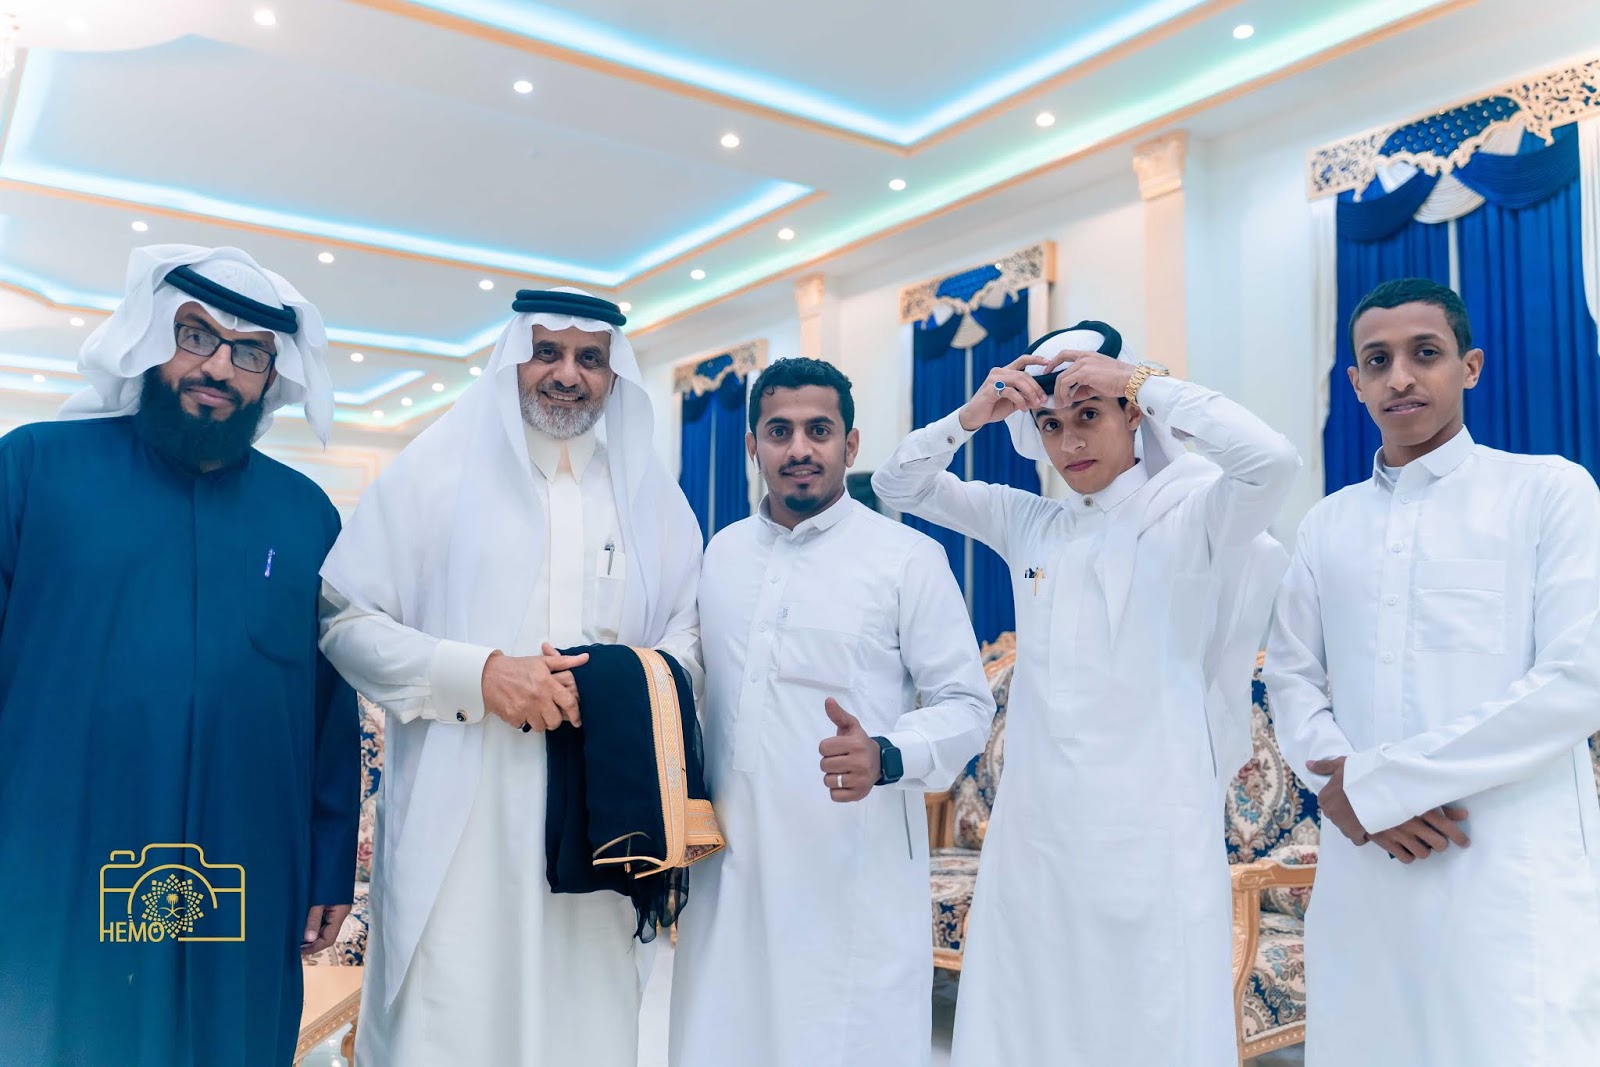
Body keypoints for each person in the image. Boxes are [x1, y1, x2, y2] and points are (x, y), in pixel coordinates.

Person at [874, 321, 1298, 1065]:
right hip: (1037, 827)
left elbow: (1272, 460)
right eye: (1050, 424)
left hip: (1153, 824)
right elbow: (896, 484)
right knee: (1033, 1012)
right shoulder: (1030, 522)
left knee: (1148, 1012)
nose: (1070, 441)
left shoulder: (1195, 513)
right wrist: (971, 415)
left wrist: (1141, 380)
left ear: (1133, 415)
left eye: (1089, 413)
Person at [319, 287, 704, 1067]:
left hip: (598, 822)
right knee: (452, 1019)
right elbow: (345, 620)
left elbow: (691, 633)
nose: (567, 374)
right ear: (511, 361)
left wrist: (617, 684)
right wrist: (481, 675)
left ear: (614, 375)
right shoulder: (434, 474)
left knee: (582, 1024)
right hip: (461, 816)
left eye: (590, 358)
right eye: (546, 352)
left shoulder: (650, 499)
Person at [0, 244, 356, 1066]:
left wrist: (329, 859)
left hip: (245, 859)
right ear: (152, 335)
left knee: (228, 1037)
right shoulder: (34, 469)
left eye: (249, 351)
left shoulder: (306, 516)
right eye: (196, 335)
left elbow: (329, 706)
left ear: (274, 375)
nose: (219, 366)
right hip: (56, 848)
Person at [1264, 277, 1600, 1066]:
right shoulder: (1328, 524)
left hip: (1503, 858)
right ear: (1355, 383)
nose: (1401, 377)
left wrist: (1384, 784)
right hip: (1363, 858)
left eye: (1426, 353)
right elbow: (1291, 676)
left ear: (1470, 366)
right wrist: (1348, 786)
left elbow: (1578, 678)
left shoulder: (1547, 491)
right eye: (1378, 361)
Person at [669, 357, 994, 1067]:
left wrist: (887, 753)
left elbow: (968, 704)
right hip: (728, 870)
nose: (799, 449)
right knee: (723, 1037)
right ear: (752, 445)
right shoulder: (721, 554)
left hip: (849, 870)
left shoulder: (908, 558)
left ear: (850, 444)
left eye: (819, 430)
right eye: (778, 431)